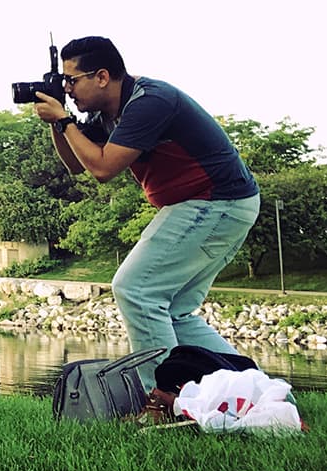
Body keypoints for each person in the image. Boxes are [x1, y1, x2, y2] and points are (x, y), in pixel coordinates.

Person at [32, 36, 260, 357]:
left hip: (217, 201)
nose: (67, 89)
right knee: (173, 312)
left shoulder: (149, 101)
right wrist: (58, 123)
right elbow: (75, 165)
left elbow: (102, 168)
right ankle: (254, 392)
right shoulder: (106, 114)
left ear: (102, 77)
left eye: (71, 80)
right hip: (214, 204)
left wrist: (64, 119)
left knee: (135, 290)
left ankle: (159, 399)